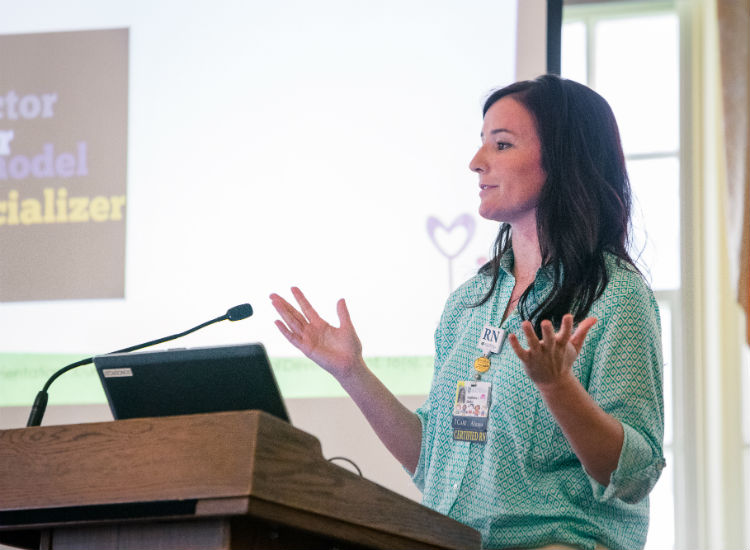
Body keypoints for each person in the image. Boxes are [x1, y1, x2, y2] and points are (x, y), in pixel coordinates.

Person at [270, 74, 665, 550]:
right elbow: (430, 461)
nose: (476, 163)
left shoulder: (614, 295)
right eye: (481, 144)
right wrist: (352, 373)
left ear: (562, 157)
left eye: (501, 145)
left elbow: (632, 474)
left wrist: (557, 387)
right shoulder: (469, 302)